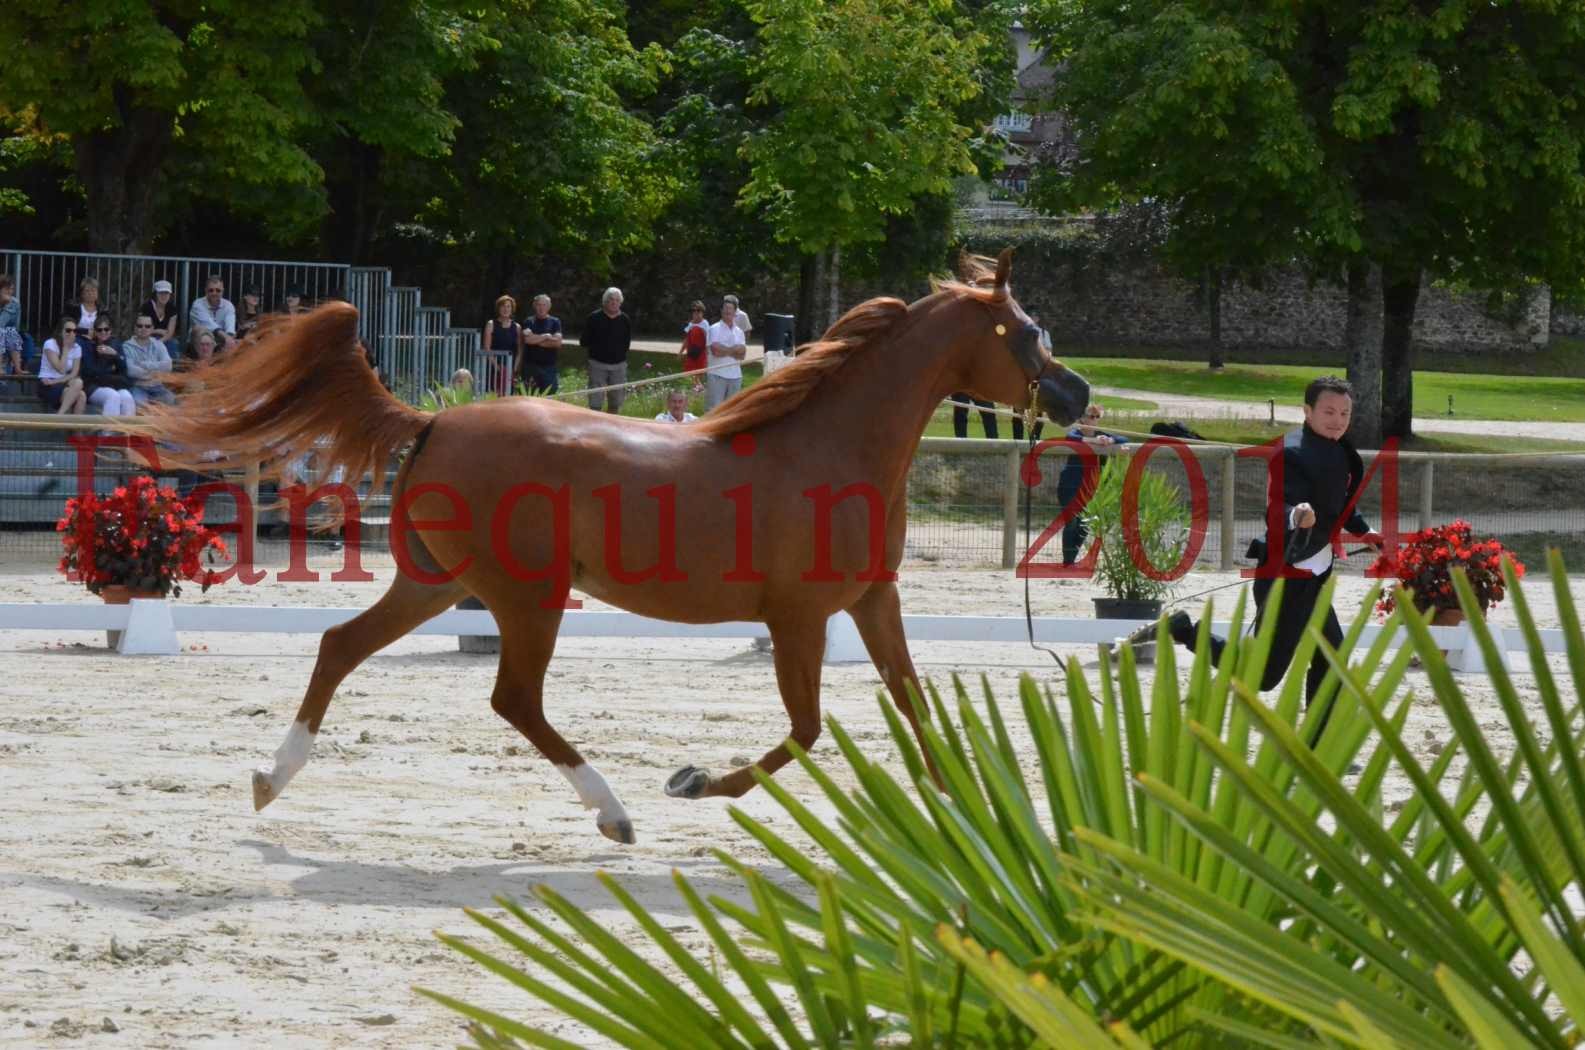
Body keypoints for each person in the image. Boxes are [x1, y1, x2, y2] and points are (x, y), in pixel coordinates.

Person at [1150, 376, 1385, 740]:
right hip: (1286, 576)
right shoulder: (1291, 452)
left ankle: (1317, 743)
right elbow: (1278, 506)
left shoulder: (1339, 451)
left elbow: (1338, 505)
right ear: (1307, 411)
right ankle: (1185, 631)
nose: (1338, 419)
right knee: (1262, 676)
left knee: (1331, 656)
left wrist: (1364, 530)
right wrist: (1297, 513)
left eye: (1345, 413)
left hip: (1313, 578)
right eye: (1328, 411)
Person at [1057, 404, 1128, 565]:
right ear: (1082, 418)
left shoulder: (1102, 435)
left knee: (1084, 525)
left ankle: (1070, 560)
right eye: (1091, 416)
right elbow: (1071, 438)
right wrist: (1093, 440)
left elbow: (1124, 439)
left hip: (1090, 488)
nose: (1094, 420)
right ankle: (1067, 562)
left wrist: (1110, 440)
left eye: (1097, 417)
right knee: (1071, 522)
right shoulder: (1076, 433)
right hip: (1070, 484)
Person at [579, 287, 632, 413]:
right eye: (611, 300)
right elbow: (584, 341)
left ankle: (612, 424)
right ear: (605, 302)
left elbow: (626, 343)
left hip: (619, 365)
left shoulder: (625, 320)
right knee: (595, 402)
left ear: (620, 302)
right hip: (597, 364)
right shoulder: (593, 318)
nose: (614, 302)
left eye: (617, 300)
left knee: (616, 400)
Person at [81, 317, 138, 418]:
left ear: (110, 330)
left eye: (106, 329)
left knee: (127, 397)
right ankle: (107, 432)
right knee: (112, 396)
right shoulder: (89, 344)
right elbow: (90, 371)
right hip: (93, 386)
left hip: (113, 384)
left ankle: (127, 432)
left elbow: (124, 369)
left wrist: (114, 354)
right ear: (94, 331)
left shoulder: (116, 344)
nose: (103, 332)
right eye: (99, 330)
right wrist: (102, 359)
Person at [123, 313, 177, 407]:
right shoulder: (126, 346)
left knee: (171, 400)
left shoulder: (159, 344)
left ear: (152, 329)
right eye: (140, 326)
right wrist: (157, 371)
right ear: (135, 328)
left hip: (157, 386)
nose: (143, 329)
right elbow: (131, 370)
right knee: (139, 404)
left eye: (147, 326)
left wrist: (145, 364)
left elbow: (168, 366)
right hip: (138, 386)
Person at [37, 316, 87, 415]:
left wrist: (55, 381)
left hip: (60, 382)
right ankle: (65, 422)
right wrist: (66, 348)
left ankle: (60, 416)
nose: (72, 333)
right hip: (47, 383)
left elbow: (74, 373)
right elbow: (61, 369)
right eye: (68, 330)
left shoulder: (77, 347)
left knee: (80, 389)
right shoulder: (50, 344)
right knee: (80, 395)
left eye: (74, 331)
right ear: (61, 331)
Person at [706, 294, 746, 410]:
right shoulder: (714, 328)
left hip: (735, 376)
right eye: (725, 308)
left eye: (730, 308)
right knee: (715, 410)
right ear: (721, 311)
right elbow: (715, 351)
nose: (727, 311)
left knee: (732, 410)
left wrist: (725, 350)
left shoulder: (739, 332)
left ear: (735, 313)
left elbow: (742, 355)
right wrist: (734, 351)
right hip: (717, 375)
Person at [520, 294, 563, 394]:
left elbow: (557, 343)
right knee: (529, 397)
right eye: (539, 305)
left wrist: (535, 339)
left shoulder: (555, 322)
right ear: (534, 306)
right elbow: (527, 341)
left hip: (549, 367)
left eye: (544, 305)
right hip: (530, 366)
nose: (541, 308)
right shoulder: (529, 321)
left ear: (549, 306)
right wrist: (546, 336)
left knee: (550, 396)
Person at [483, 294, 522, 394]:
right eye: (503, 306)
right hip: (493, 367)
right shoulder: (491, 324)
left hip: (511, 368)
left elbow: (520, 351)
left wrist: (514, 368)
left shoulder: (517, 327)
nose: (506, 309)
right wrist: (497, 367)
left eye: (508, 306)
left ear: (512, 309)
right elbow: (487, 348)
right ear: (498, 308)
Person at [190, 275, 237, 349]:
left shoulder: (228, 305)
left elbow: (230, 328)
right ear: (205, 290)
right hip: (199, 344)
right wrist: (227, 338)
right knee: (199, 329)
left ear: (222, 291)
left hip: (221, 342)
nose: (214, 293)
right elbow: (208, 324)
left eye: (218, 290)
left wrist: (229, 339)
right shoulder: (197, 304)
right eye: (211, 290)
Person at [141, 279, 180, 353]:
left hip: (165, 339)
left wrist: (158, 343)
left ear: (170, 295)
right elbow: (145, 329)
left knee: (173, 344)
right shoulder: (147, 307)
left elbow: (170, 333)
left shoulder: (172, 309)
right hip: (148, 337)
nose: (164, 296)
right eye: (161, 293)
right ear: (155, 294)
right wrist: (160, 331)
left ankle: (173, 364)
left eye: (166, 293)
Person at [678, 300, 709, 393]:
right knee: (690, 373)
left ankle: (699, 390)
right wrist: (680, 352)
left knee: (698, 374)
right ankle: (698, 390)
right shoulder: (691, 324)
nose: (696, 313)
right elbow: (687, 339)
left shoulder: (705, 324)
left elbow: (708, 340)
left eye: (698, 311)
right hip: (691, 352)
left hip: (701, 353)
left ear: (702, 312)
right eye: (693, 311)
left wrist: (708, 355)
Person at [0, 274, 23, 377]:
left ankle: (17, 368)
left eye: (12, 289)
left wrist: (7, 304)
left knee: (11, 331)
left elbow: (14, 325)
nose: (10, 292)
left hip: (5, 335)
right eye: (7, 289)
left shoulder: (14, 303)